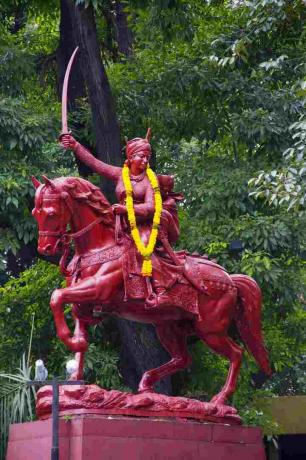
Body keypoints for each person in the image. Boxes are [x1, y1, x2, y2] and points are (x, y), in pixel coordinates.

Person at [60, 130, 182, 308]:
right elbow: (95, 164)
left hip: (146, 223)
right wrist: (75, 145)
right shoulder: (120, 174)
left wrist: (127, 208)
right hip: (122, 224)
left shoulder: (150, 180)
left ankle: (160, 289)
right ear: (131, 157)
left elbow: (151, 207)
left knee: (144, 248)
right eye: (141, 156)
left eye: (148, 157)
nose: (145, 161)